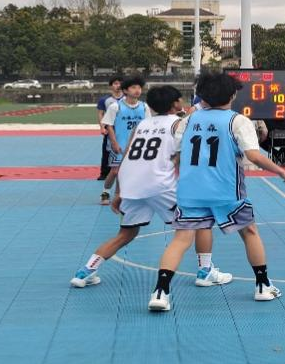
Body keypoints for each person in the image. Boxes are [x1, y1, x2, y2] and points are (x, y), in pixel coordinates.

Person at [148, 71, 285, 311]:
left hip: (190, 190)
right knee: (249, 232)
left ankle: (160, 292)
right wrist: (282, 171)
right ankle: (263, 285)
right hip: (225, 191)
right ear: (233, 94)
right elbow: (253, 156)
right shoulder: (238, 121)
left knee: (180, 239)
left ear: (202, 96)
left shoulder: (187, 121)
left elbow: (177, 155)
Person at [69, 86, 230, 289]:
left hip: (133, 186)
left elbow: (126, 159)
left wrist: (119, 192)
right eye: (180, 99)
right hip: (160, 185)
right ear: (175, 104)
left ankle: (85, 271)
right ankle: (205, 272)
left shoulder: (141, 125)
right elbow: (190, 156)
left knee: (125, 234)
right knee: (201, 222)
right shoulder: (179, 124)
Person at [99, 76, 153, 204]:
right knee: (115, 171)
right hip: (119, 144)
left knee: (133, 171)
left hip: (137, 146)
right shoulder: (115, 106)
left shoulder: (144, 107)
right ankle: (106, 192)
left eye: (139, 87)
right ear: (125, 90)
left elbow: (148, 125)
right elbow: (109, 125)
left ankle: (122, 194)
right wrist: (114, 142)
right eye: (133, 87)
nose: (137, 90)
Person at [93, 78, 123, 181]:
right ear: (111, 86)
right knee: (107, 151)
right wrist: (102, 127)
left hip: (124, 128)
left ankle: (125, 172)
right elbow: (100, 114)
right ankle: (104, 173)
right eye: (115, 83)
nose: (118, 85)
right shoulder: (104, 100)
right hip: (110, 128)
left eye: (120, 83)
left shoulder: (127, 99)